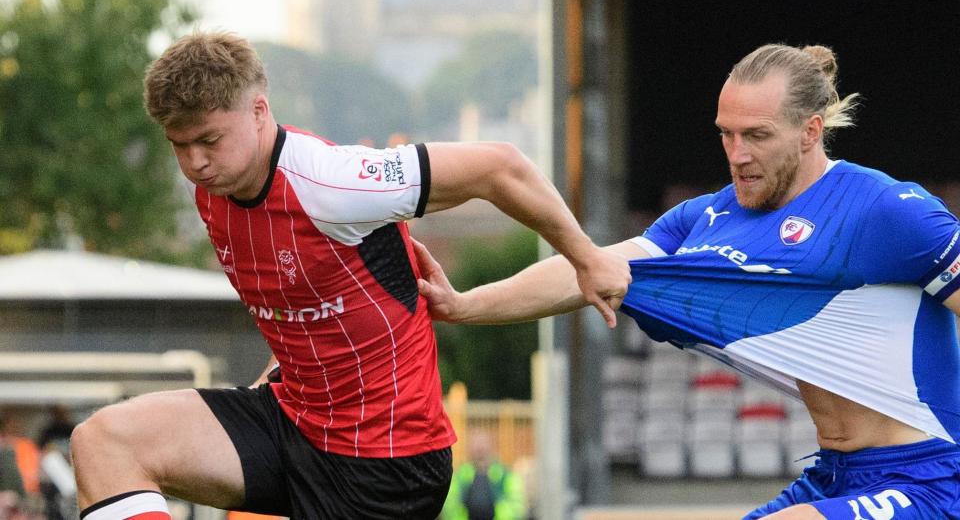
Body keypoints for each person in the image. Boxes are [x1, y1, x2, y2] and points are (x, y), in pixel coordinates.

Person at [67, 31, 629, 520]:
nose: (194, 163)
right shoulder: (212, 192)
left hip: (388, 467)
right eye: (178, 145)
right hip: (296, 424)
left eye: (208, 140)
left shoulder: (333, 183)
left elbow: (500, 165)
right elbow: (304, 301)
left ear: (259, 112)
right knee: (103, 443)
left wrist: (587, 258)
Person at [414, 44, 960, 519]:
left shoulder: (887, 210)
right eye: (727, 134)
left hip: (928, 477)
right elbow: (591, 269)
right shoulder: (708, 217)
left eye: (757, 136)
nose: (737, 155)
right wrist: (463, 305)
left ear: (810, 132)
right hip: (836, 475)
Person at [441, 431, 525, 520]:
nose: (480, 449)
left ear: (491, 447)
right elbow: (449, 507)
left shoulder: (506, 476)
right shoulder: (460, 476)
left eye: (483, 445)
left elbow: (517, 508)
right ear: (470, 449)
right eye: (477, 446)